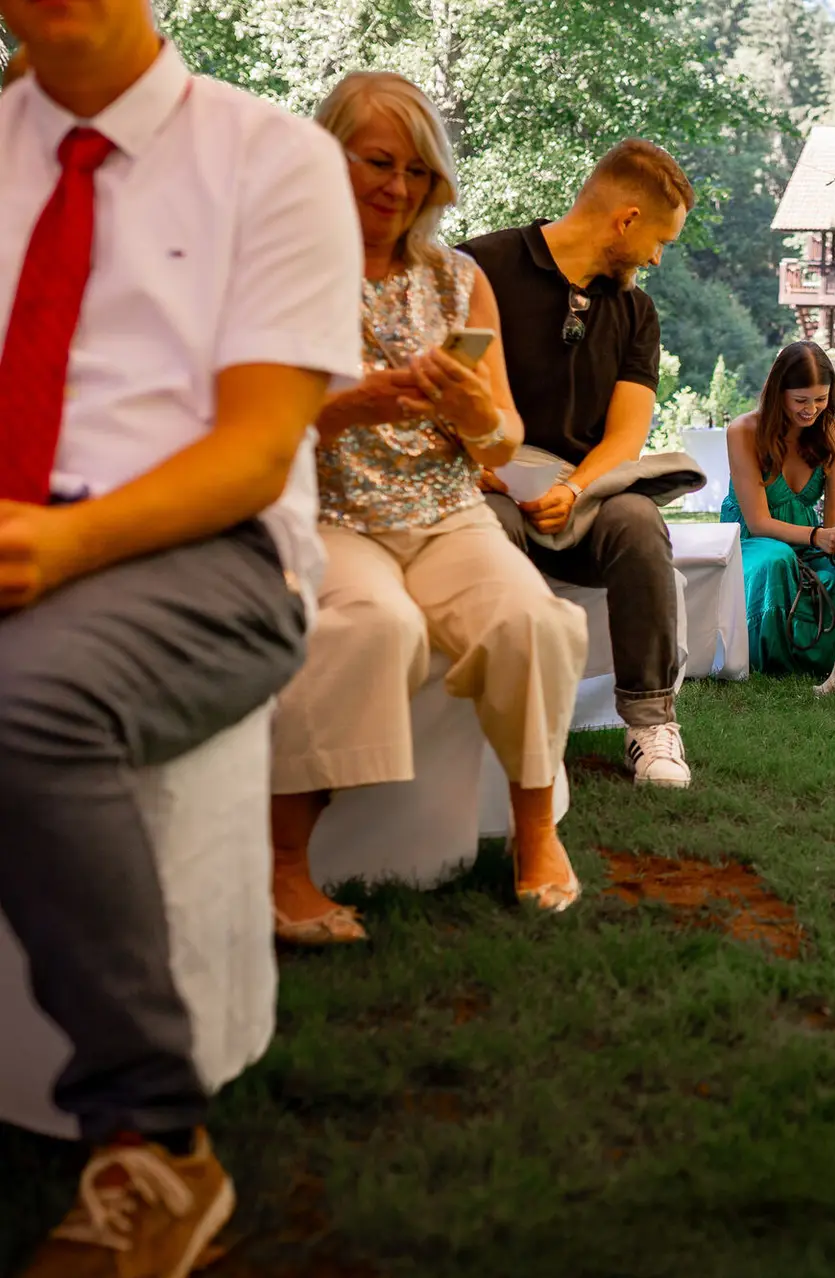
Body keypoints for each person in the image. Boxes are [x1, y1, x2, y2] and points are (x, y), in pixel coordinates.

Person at [0, 0, 362, 1272]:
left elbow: (257, 451)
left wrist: (53, 546)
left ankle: (154, 1141)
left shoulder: (272, 157)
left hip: (212, 556)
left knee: (19, 700)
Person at [268, 72, 589, 942]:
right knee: (374, 627)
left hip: (448, 514)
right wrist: (346, 408)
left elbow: (502, 438)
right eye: (378, 161)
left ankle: (535, 834)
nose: (399, 187)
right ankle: (282, 868)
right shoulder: (280, 271)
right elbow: (246, 425)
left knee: (535, 621)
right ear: (324, 153)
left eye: (419, 171)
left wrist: (476, 414)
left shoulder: (459, 280)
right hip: (333, 512)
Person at [459, 141, 696, 788]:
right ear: (625, 220)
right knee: (488, 525)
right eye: (659, 241)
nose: (655, 258)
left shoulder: (636, 312)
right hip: (486, 484)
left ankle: (651, 726)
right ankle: (486, 727)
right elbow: (441, 388)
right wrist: (475, 464)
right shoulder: (481, 267)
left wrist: (577, 487)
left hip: (584, 499)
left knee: (639, 521)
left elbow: (625, 436)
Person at [720, 342, 835, 675]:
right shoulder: (743, 432)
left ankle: (826, 662)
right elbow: (759, 521)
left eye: (821, 400)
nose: (811, 410)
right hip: (750, 542)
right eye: (801, 400)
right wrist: (817, 537)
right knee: (776, 560)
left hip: (810, 542)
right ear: (778, 392)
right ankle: (771, 661)